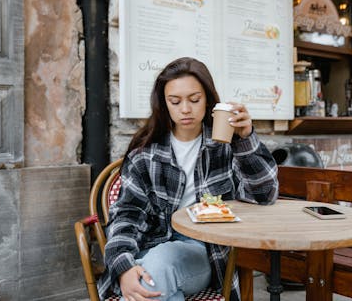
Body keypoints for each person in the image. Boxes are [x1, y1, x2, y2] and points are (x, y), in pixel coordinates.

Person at [98, 57, 279, 301]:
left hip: (205, 251)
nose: (185, 109)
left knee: (160, 265)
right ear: (164, 104)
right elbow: (126, 215)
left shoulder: (224, 146)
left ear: (208, 101)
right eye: (175, 101)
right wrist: (124, 267)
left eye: (194, 100)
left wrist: (245, 139)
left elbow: (264, 196)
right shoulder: (145, 156)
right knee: (158, 279)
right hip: (148, 249)